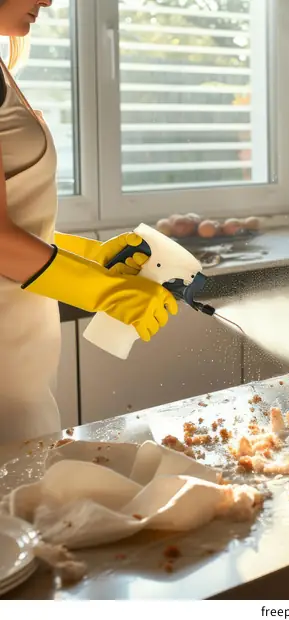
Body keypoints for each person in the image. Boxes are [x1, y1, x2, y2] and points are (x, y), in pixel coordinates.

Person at [0, 0, 178, 445]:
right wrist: (105, 290)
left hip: (21, 372)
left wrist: (90, 257)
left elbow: (16, 220)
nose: (48, 0)